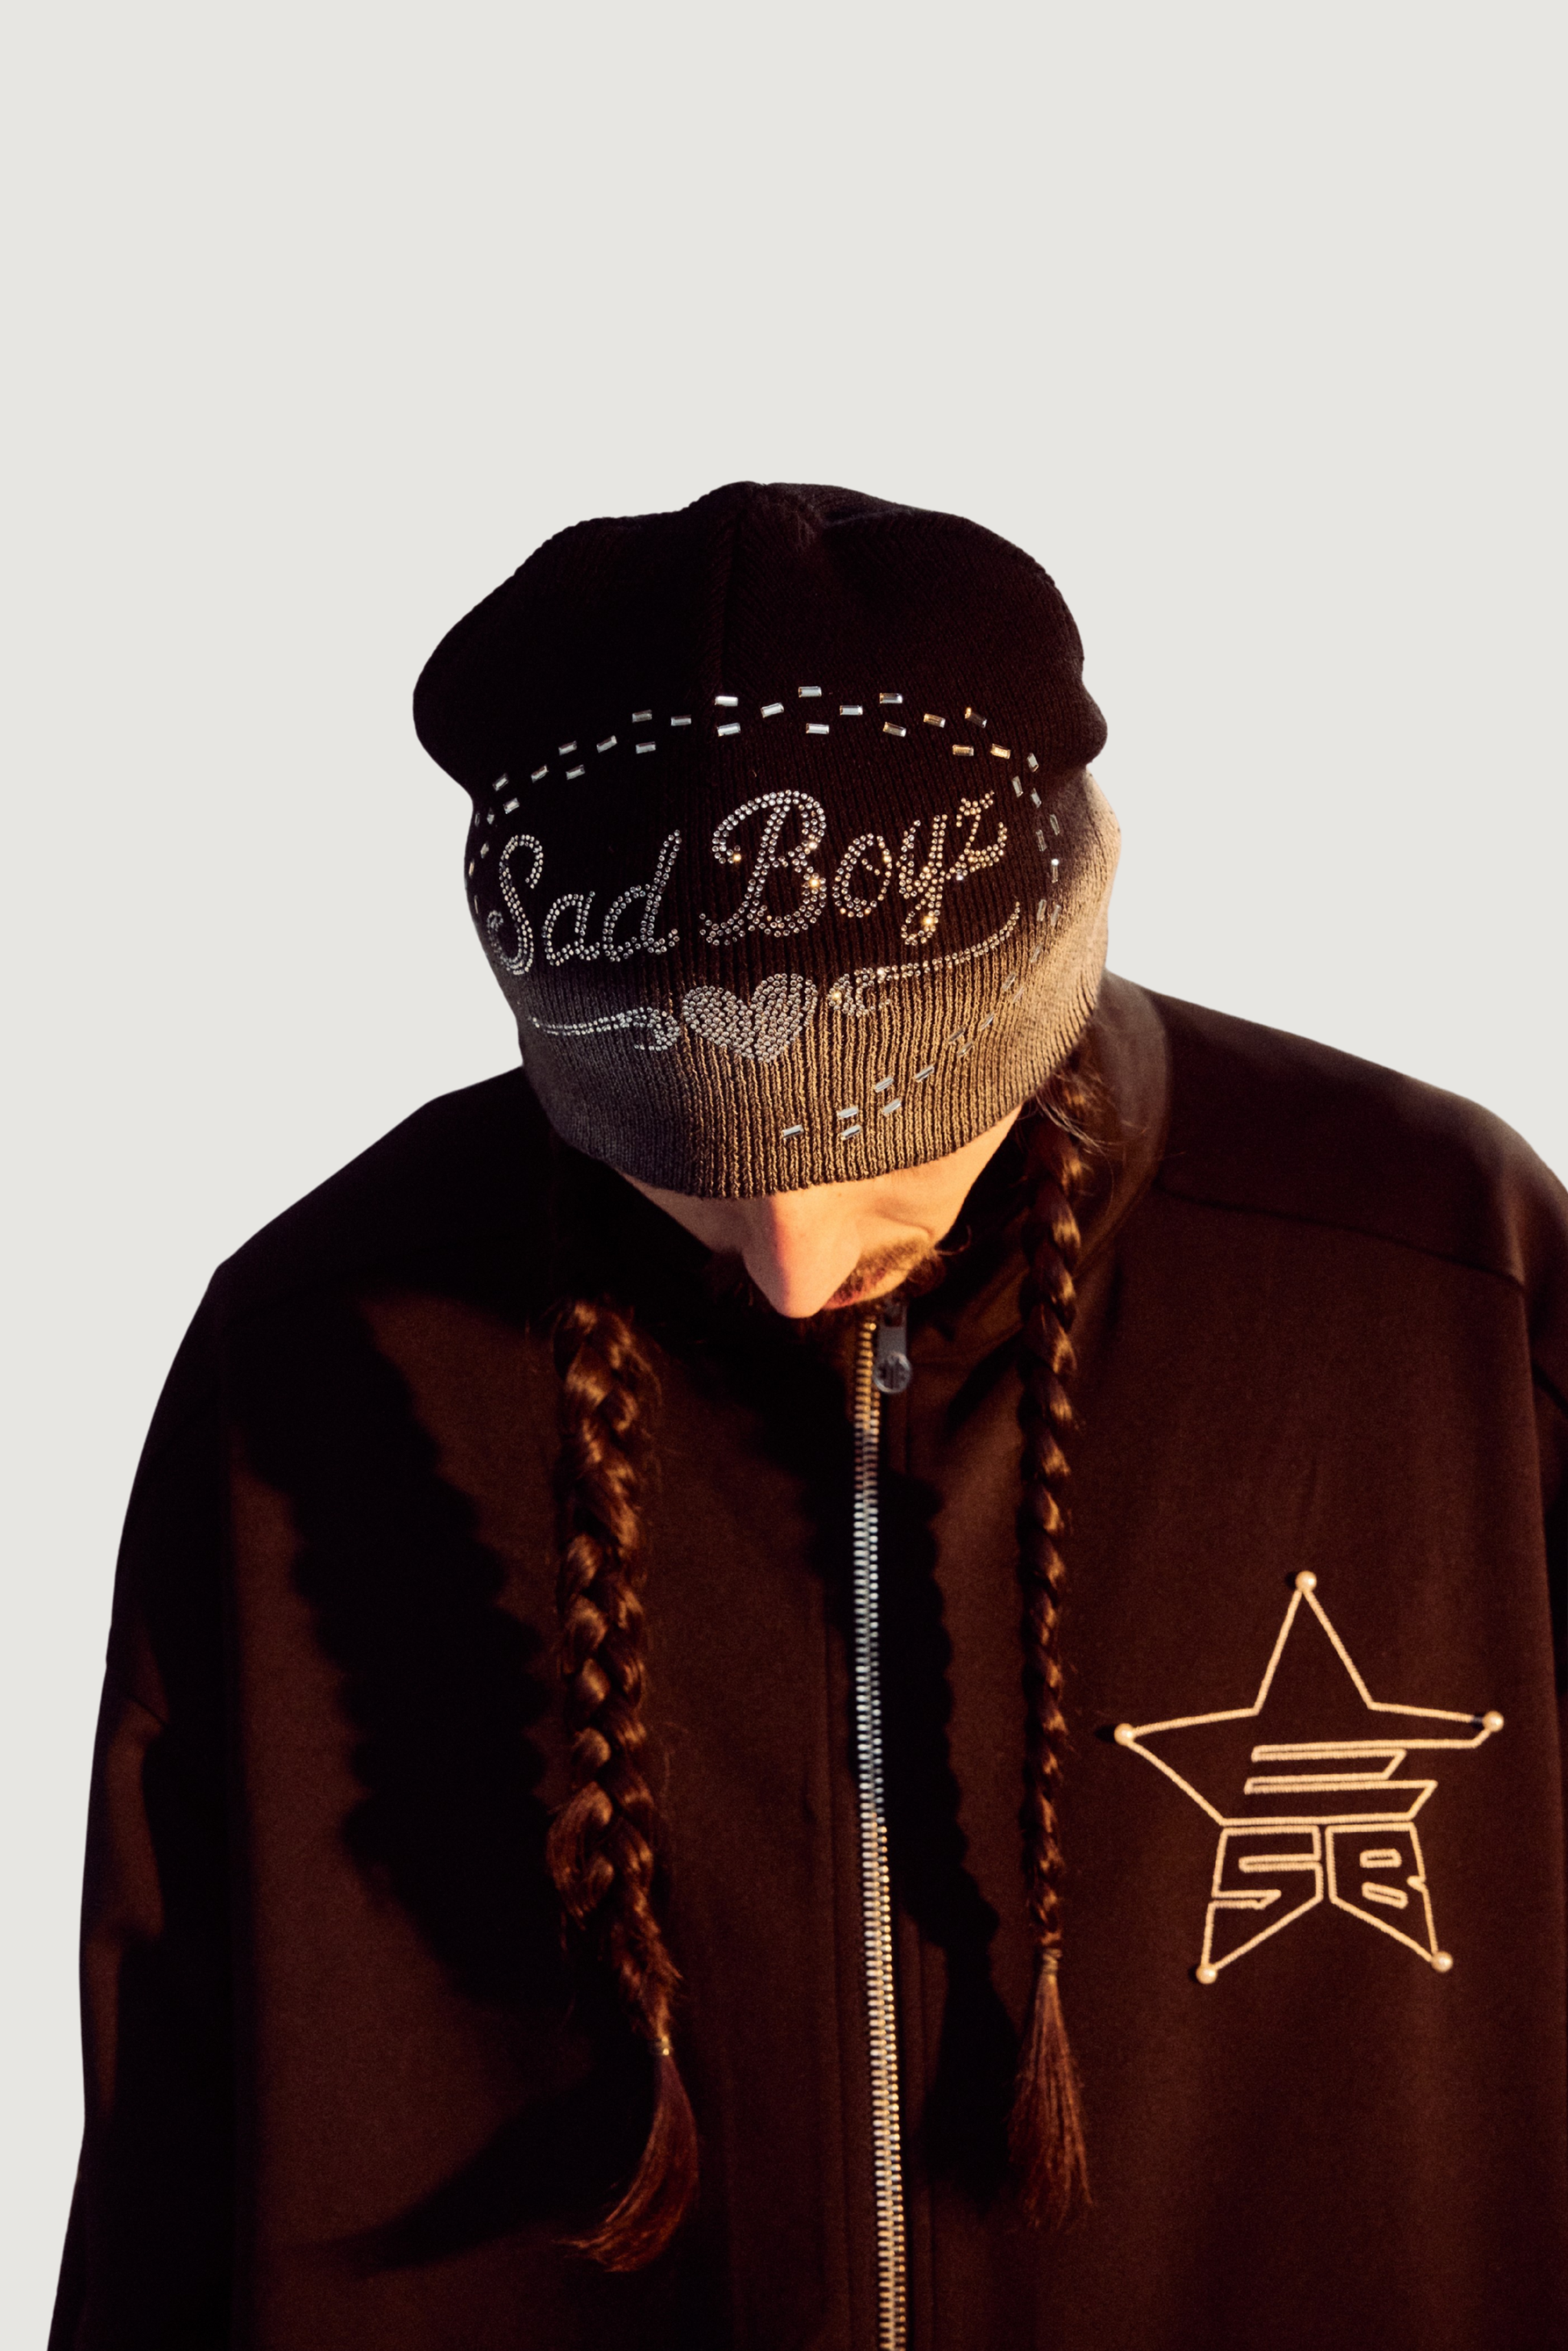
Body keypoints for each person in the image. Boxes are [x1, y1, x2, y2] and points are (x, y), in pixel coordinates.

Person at [49, 483, 1568, 2351]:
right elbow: (171, 2150)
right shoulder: (318, 1354)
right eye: (687, 1180)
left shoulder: (1433, 1275)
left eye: (888, 1150)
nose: (789, 1266)